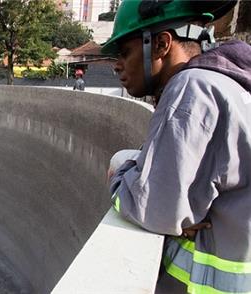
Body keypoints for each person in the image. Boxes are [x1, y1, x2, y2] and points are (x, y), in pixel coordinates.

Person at [103, 0, 250, 292]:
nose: (117, 65)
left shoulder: (191, 88)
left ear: (161, 44)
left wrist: (117, 174)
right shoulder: (227, 84)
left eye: (125, 52)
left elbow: (153, 208)